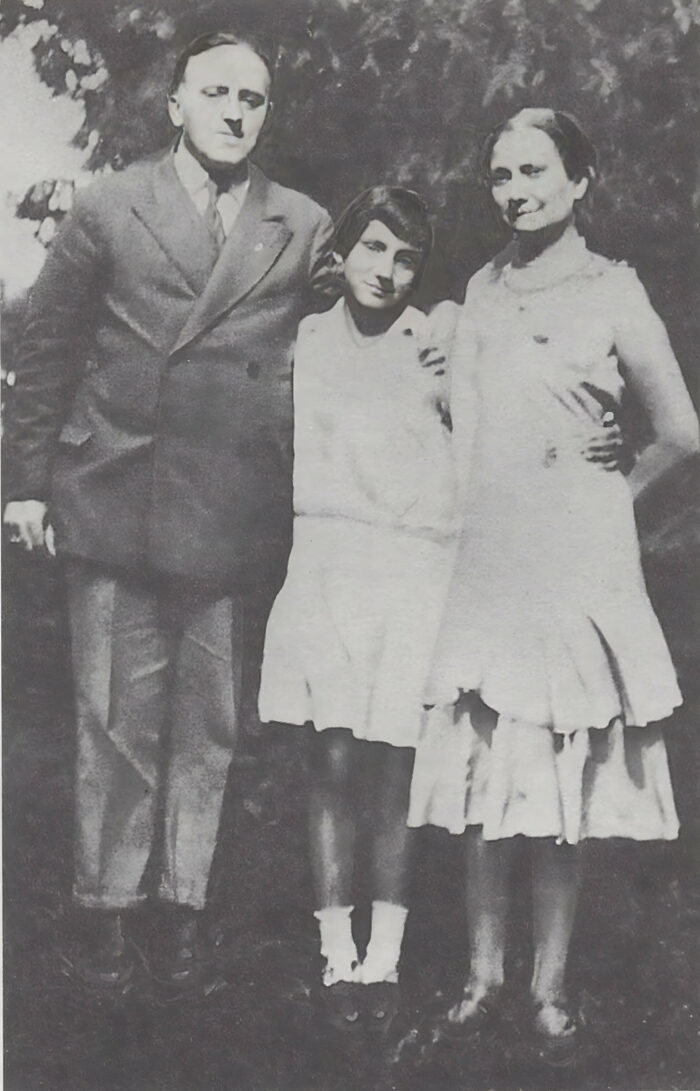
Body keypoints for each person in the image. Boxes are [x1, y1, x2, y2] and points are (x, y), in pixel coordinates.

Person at [2, 29, 331, 994]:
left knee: (210, 726)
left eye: (255, 98)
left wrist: (432, 347)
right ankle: (107, 913)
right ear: (176, 105)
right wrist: (25, 482)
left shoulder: (301, 223)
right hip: (114, 493)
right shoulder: (110, 203)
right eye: (218, 92)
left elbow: (361, 327)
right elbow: (49, 347)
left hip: (232, 513)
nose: (236, 111)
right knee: (114, 718)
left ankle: (182, 906)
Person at [408, 108, 699, 1057]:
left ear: (581, 181)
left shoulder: (616, 290)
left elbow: (681, 432)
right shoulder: (480, 291)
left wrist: (617, 484)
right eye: (500, 174)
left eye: (535, 171)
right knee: (487, 763)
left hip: (575, 556)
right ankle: (482, 974)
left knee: (559, 768)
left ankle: (549, 987)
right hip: (490, 555)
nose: (516, 190)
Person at [257, 186, 461, 1031]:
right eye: (374, 248)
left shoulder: (439, 341)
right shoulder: (302, 338)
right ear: (342, 254)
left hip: (415, 569)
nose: (389, 270)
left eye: (407, 256)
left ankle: (388, 956)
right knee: (333, 759)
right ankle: (336, 948)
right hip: (330, 563)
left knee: (395, 769)